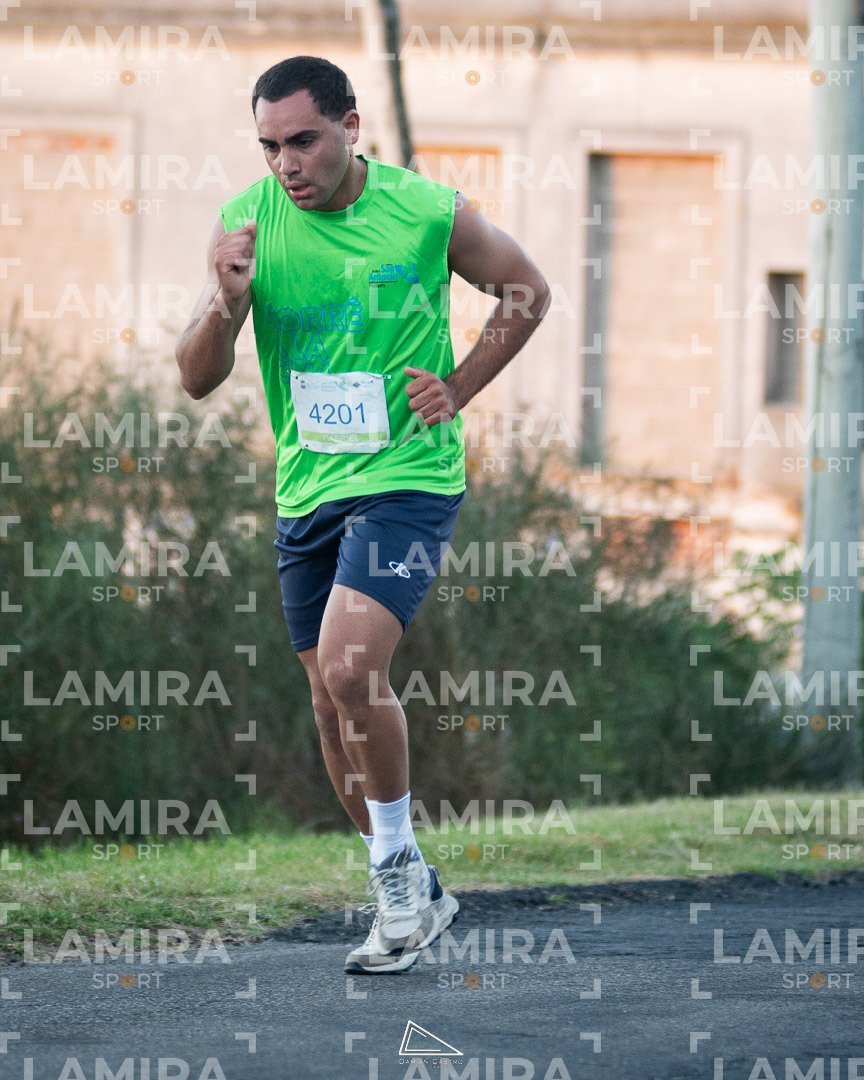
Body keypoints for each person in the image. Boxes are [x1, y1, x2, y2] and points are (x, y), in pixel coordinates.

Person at [175, 55, 550, 975]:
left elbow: (527, 290)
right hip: (308, 489)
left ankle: (394, 885)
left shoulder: (425, 211)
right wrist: (225, 304)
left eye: (303, 141)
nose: (286, 164)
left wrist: (459, 387)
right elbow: (194, 378)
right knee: (327, 699)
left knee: (350, 669)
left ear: (349, 127)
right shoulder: (247, 223)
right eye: (270, 147)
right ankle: (413, 883)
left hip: (408, 478)